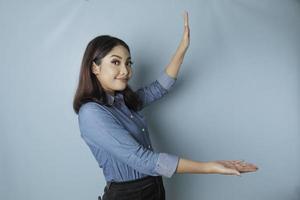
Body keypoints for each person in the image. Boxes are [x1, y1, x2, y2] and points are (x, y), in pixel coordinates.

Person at [73, 11, 258, 200]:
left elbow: (159, 88)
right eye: (115, 62)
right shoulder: (92, 113)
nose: (125, 70)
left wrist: (182, 48)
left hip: (153, 186)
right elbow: (143, 160)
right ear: (95, 67)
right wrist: (209, 167)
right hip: (128, 194)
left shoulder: (122, 103)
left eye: (129, 63)